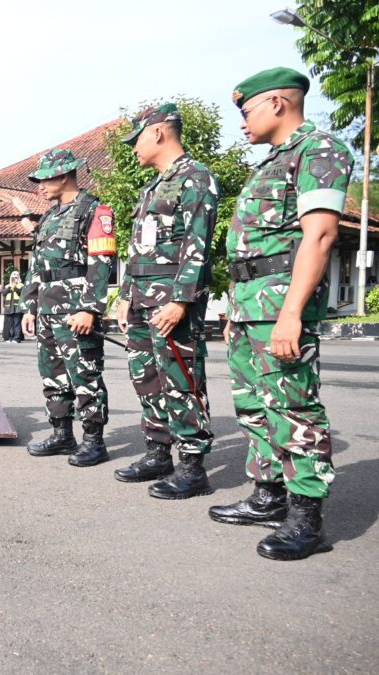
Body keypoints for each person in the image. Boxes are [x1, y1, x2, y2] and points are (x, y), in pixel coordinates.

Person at [208, 68, 352, 561]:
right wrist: (234, 308)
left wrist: (292, 313)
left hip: (280, 305)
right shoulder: (271, 162)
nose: (242, 122)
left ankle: (306, 518)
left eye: (246, 111)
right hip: (250, 305)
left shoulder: (319, 150)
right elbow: (251, 247)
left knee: (293, 407)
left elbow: (320, 236)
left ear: (276, 103)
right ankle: (267, 496)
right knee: (254, 406)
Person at [112, 104, 218, 499]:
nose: (133, 148)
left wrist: (181, 301)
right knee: (147, 378)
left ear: (157, 132)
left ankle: (192, 466)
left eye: (136, 139)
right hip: (142, 301)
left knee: (181, 379)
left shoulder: (196, 178)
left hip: (171, 304)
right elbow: (138, 249)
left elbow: (197, 245)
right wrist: (125, 296)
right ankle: (158, 453)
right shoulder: (153, 187)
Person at [19, 149, 116, 467]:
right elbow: (37, 266)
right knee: (53, 375)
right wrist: (30, 306)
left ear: (63, 177)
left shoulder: (93, 210)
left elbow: (101, 262)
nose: (40, 187)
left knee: (84, 374)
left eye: (44, 180)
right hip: (47, 308)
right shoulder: (49, 217)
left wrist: (90, 308)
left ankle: (94, 441)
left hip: (75, 309)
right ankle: (62, 434)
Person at [1, 271, 25, 343]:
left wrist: (15, 287)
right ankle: (11, 337)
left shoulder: (21, 285)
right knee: (10, 324)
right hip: (9, 307)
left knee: (17, 323)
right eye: (13, 277)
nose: (14, 278)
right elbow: (3, 293)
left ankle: (17, 338)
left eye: (16, 277)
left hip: (17, 307)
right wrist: (10, 287)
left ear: (18, 278)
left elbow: (21, 294)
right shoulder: (7, 286)